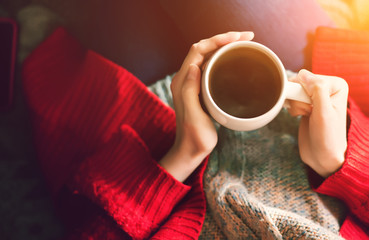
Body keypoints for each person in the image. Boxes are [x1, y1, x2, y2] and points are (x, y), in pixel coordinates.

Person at [22, 27, 369, 240]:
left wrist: (185, 152)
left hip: (162, 146)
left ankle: (42, 41)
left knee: (128, 34)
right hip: (294, 124)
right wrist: (337, 164)